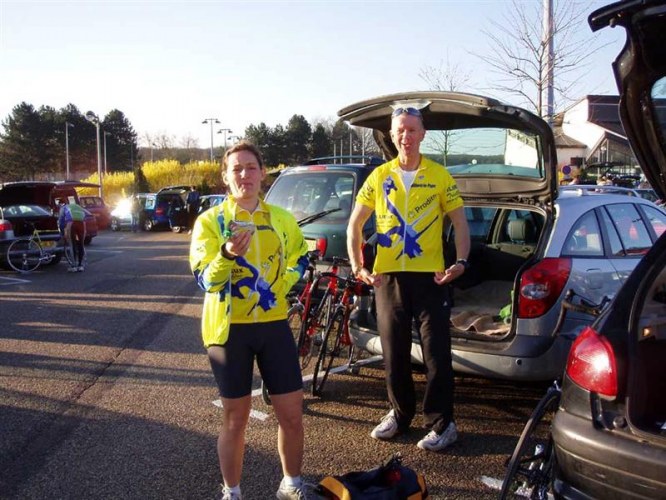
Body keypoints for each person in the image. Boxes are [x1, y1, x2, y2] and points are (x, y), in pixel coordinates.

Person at [189, 142, 310, 500]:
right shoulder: (211, 222)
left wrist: (280, 286)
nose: (245, 175)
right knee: (235, 418)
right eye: (237, 169)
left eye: (251, 167)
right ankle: (233, 491)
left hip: (273, 325)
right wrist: (227, 254)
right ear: (226, 177)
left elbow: (301, 257)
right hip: (229, 330)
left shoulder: (281, 218)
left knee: (292, 414)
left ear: (263, 173)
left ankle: (291, 484)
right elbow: (205, 280)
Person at [347, 106, 471, 452]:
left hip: (432, 278)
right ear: (392, 135)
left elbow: (460, 223)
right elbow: (355, 224)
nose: (406, 136)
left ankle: (443, 424)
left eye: (412, 130)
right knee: (394, 353)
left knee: (436, 354)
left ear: (422, 134)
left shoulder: (439, 175)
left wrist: (461, 262)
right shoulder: (379, 176)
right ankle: (400, 414)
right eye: (400, 130)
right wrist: (358, 265)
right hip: (388, 279)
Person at [58, 198, 87, 272]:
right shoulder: (78, 207)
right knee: (81, 244)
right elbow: (84, 215)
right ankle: (81, 265)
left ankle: (73, 266)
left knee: (72, 244)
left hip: (71, 223)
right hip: (82, 223)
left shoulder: (64, 208)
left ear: (61, 204)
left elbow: (61, 221)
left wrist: (62, 232)